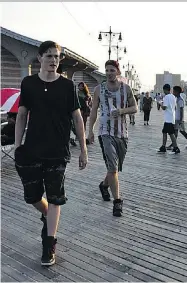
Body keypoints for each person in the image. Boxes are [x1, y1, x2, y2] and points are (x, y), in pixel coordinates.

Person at [14, 41, 88, 266]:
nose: (54, 61)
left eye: (57, 57)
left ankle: (49, 244)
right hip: (33, 149)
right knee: (33, 197)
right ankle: (48, 217)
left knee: (55, 198)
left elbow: (77, 118)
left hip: (58, 151)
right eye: (49, 56)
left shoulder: (67, 86)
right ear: (39, 58)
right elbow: (22, 115)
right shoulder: (28, 83)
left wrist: (83, 149)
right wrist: (18, 145)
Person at [87, 60, 137, 217]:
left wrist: (122, 111)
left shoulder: (126, 89)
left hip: (122, 134)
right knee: (113, 167)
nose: (109, 73)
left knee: (114, 167)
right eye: (107, 70)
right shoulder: (98, 89)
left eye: (112, 70)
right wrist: (91, 131)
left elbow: (135, 108)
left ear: (118, 72)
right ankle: (118, 202)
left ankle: (104, 185)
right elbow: (94, 110)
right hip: (105, 132)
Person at [157, 84, 180, 154]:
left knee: (171, 133)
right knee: (165, 132)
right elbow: (175, 107)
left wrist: (160, 103)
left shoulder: (166, 97)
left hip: (168, 119)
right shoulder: (173, 96)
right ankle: (163, 146)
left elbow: (164, 107)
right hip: (171, 117)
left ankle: (176, 147)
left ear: (165, 90)